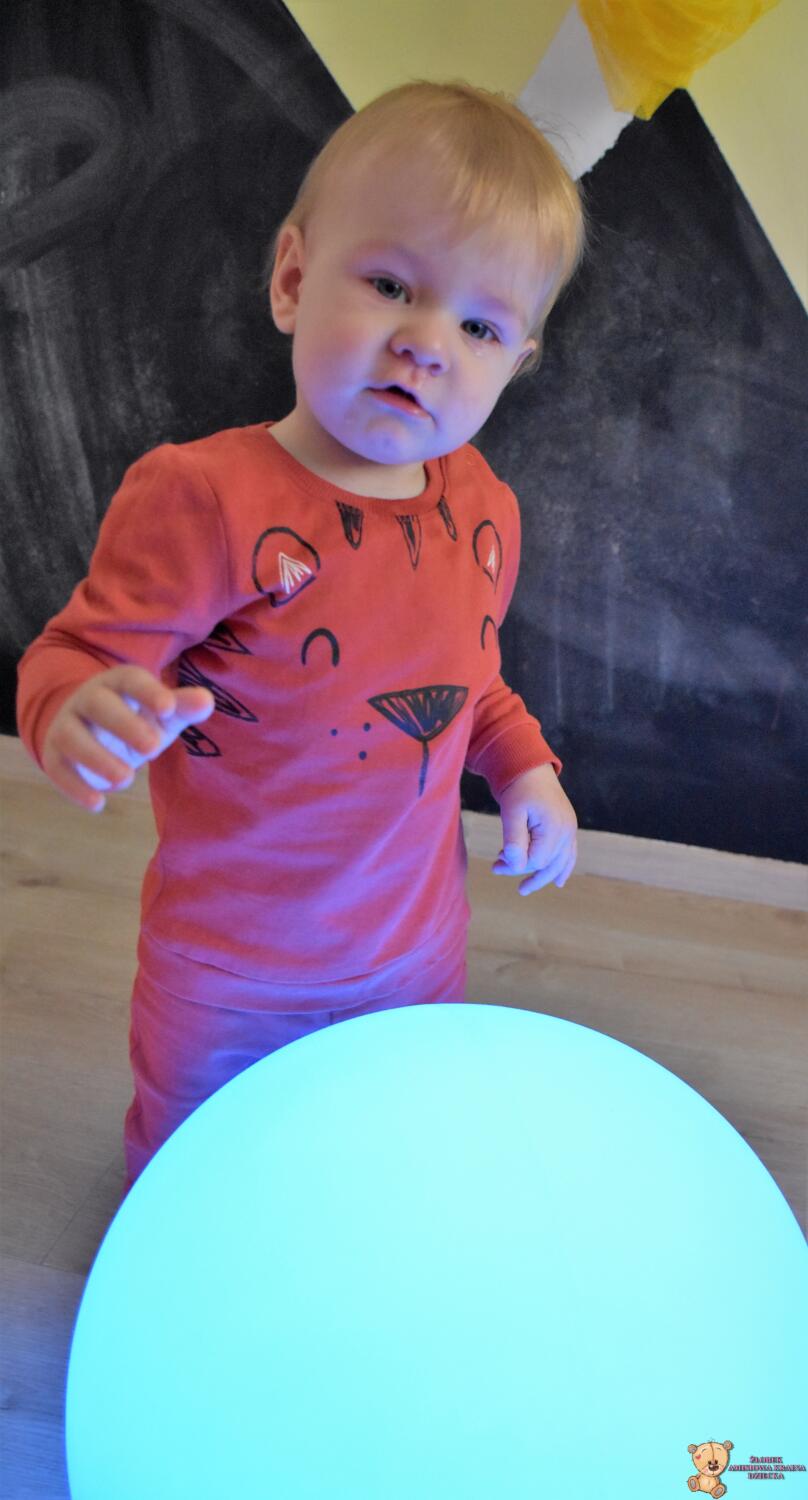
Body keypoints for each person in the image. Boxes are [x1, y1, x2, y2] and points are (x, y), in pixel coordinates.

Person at [16, 80, 584, 1191]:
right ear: (291, 279)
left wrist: (526, 770)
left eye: (477, 326)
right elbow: (71, 656)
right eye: (391, 286)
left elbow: (467, 684)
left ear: (514, 364)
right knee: (199, 1176)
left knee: (369, 1163)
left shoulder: (484, 512)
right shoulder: (203, 499)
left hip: (412, 957)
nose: (425, 345)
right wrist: (75, 709)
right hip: (228, 974)